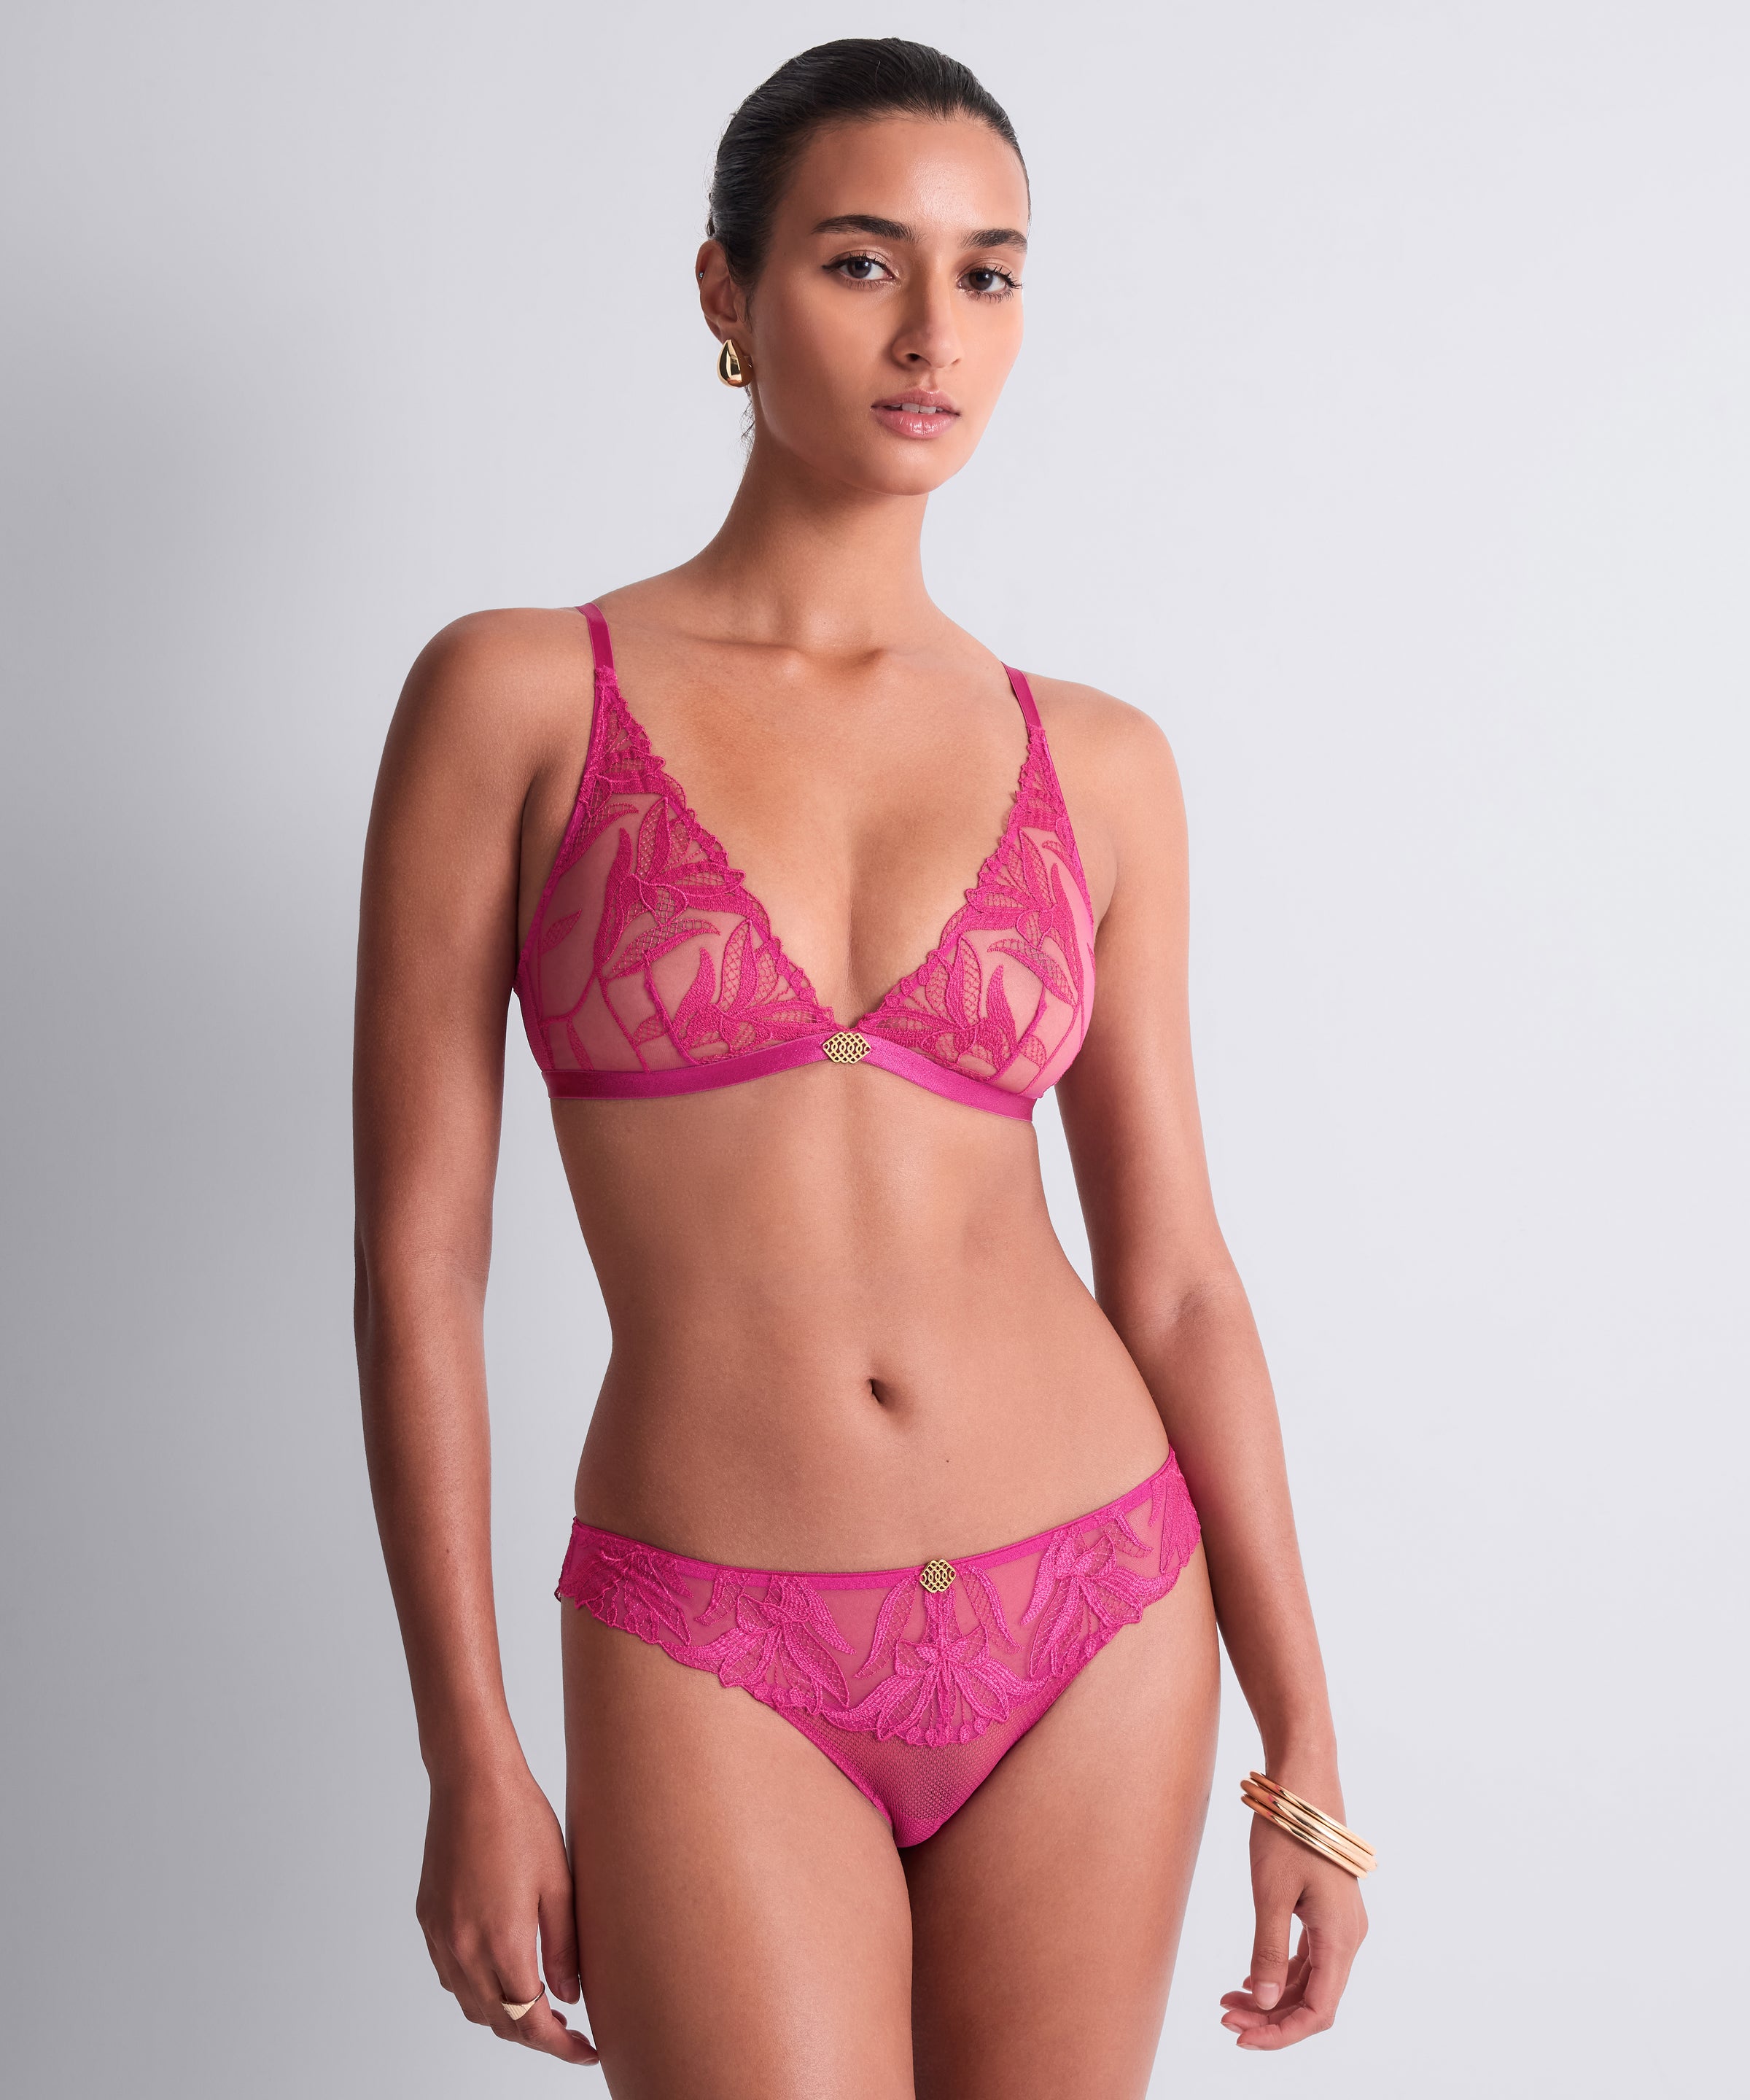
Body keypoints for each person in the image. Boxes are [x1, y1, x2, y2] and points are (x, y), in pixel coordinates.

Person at [354, 36, 1369, 2096]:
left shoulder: (1101, 760)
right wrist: (470, 1748)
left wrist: (1308, 1749)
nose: (934, 334)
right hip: (714, 1628)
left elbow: (1176, 1275)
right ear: (724, 292)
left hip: (1097, 1601)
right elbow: (417, 1264)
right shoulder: (518, 695)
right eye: (860, 262)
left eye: (989, 274)